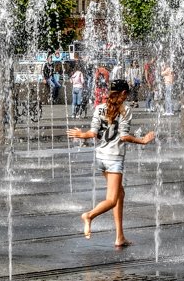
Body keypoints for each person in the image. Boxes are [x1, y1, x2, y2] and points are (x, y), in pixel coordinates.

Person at [66, 79, 155, 248]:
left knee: (120, 194)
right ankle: (89, 216)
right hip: (114, 159)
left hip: (101, 157)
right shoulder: (125, 110)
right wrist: (143, 141)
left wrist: (80, 134)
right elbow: (124, 136)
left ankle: (120, 237)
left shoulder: (99, 108)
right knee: (112, 200)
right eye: (126, 94)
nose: (127, 97)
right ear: (123, 94)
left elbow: (93, 134)